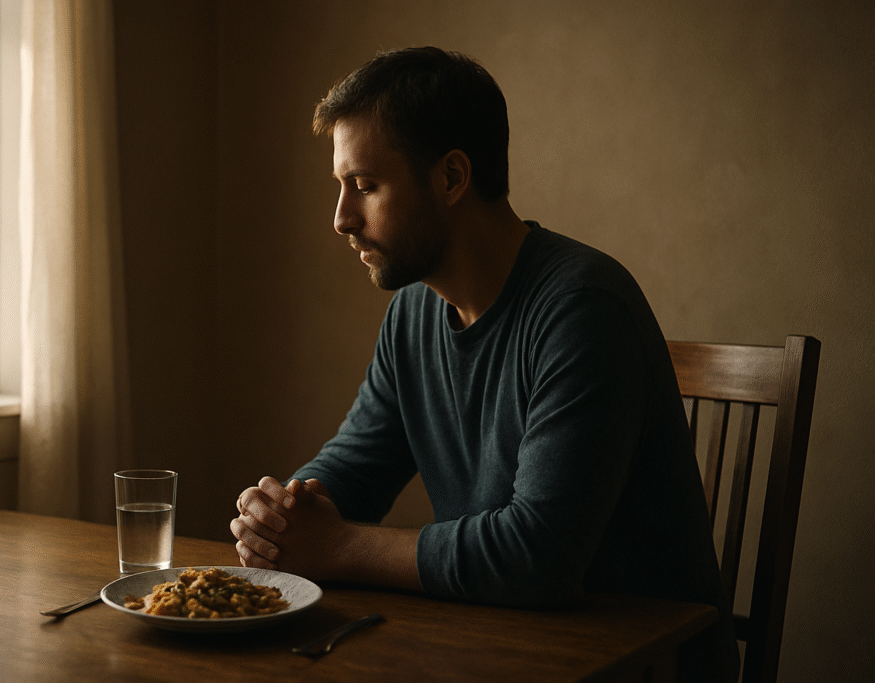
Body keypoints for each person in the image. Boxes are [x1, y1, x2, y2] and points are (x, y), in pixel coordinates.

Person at [230, 46, 740, 682]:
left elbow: (538, 558)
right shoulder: (414, 312)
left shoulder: (583, 307)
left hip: (639, 667)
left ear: (450, 178)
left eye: (365, 186)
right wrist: (283, 514)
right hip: (496, 648)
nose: (341, 219)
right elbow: (357, 465)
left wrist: (335, 547)